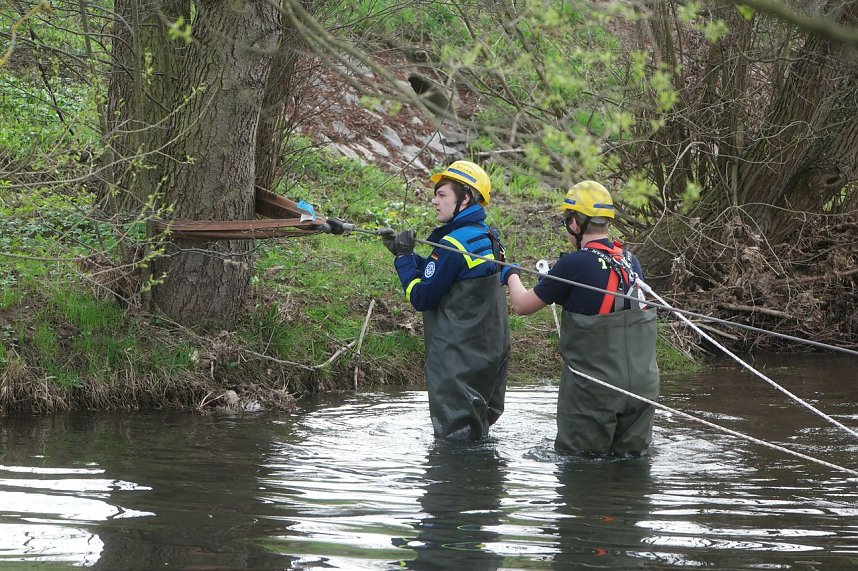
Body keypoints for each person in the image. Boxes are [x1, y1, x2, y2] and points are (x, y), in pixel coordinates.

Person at [501, 180, 660, 455]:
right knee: (631, 464)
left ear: (575, 224)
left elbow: (522, 305)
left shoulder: (574, 263)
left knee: (581, 467)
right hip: (643, 387)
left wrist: (510, 273)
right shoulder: (630, 261)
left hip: (595, 391)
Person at [382, 160, 510, 440]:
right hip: (491, 355)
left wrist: (404, 260)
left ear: (465, 199)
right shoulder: (490, 238)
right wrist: (408, 255)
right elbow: (446, 274)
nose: (434, 202)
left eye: (442, 195)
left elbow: (422, 296)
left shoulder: (453, 245)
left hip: (459, 360)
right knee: (479, 434)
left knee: (456, 442)